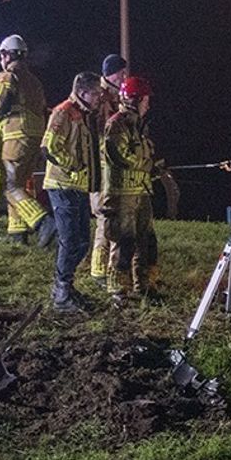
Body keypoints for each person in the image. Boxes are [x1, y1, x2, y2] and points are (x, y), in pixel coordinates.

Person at [42, 72, 103, 312]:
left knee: (81, 242)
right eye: (95, 93)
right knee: (70, 240)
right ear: (82, 92)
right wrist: (73, 165)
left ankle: (66, 287)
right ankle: (61, 293)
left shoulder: (85, 116)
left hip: (78, 187)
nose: (99, 97)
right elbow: (49, 147)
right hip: (62, 185)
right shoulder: (64, 112)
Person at [0, 34, 55, 245]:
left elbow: (2, 104)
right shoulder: (34, 81)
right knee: (20, 183)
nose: (1, 60)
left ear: (8, 55)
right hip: (35, 136)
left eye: (2, 55)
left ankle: (43, 221)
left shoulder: (8, 76)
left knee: (10, 186)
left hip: (16, 136)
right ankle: (17, 233)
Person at [100, 75, 161, 305]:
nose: (148, 104)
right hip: (121, 194)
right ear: (134, 99)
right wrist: (147, 164)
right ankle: (118, 289)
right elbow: (120, 156)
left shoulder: (140, 126)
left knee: (147, 241)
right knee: (123, 242)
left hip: (141, 192)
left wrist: (153, 167)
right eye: (145, 99)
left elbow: (143, 154)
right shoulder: (117, 124)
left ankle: (145, 285)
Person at [90, 54, 128, 286]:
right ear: (110, 73)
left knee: (112, 218)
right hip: (102, 166)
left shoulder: (114, 96)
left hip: (111, 165)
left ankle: (109, 269)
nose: (124, 77)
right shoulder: (102, 98)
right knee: (104, 218)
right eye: (121, 73)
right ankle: (98, 270)